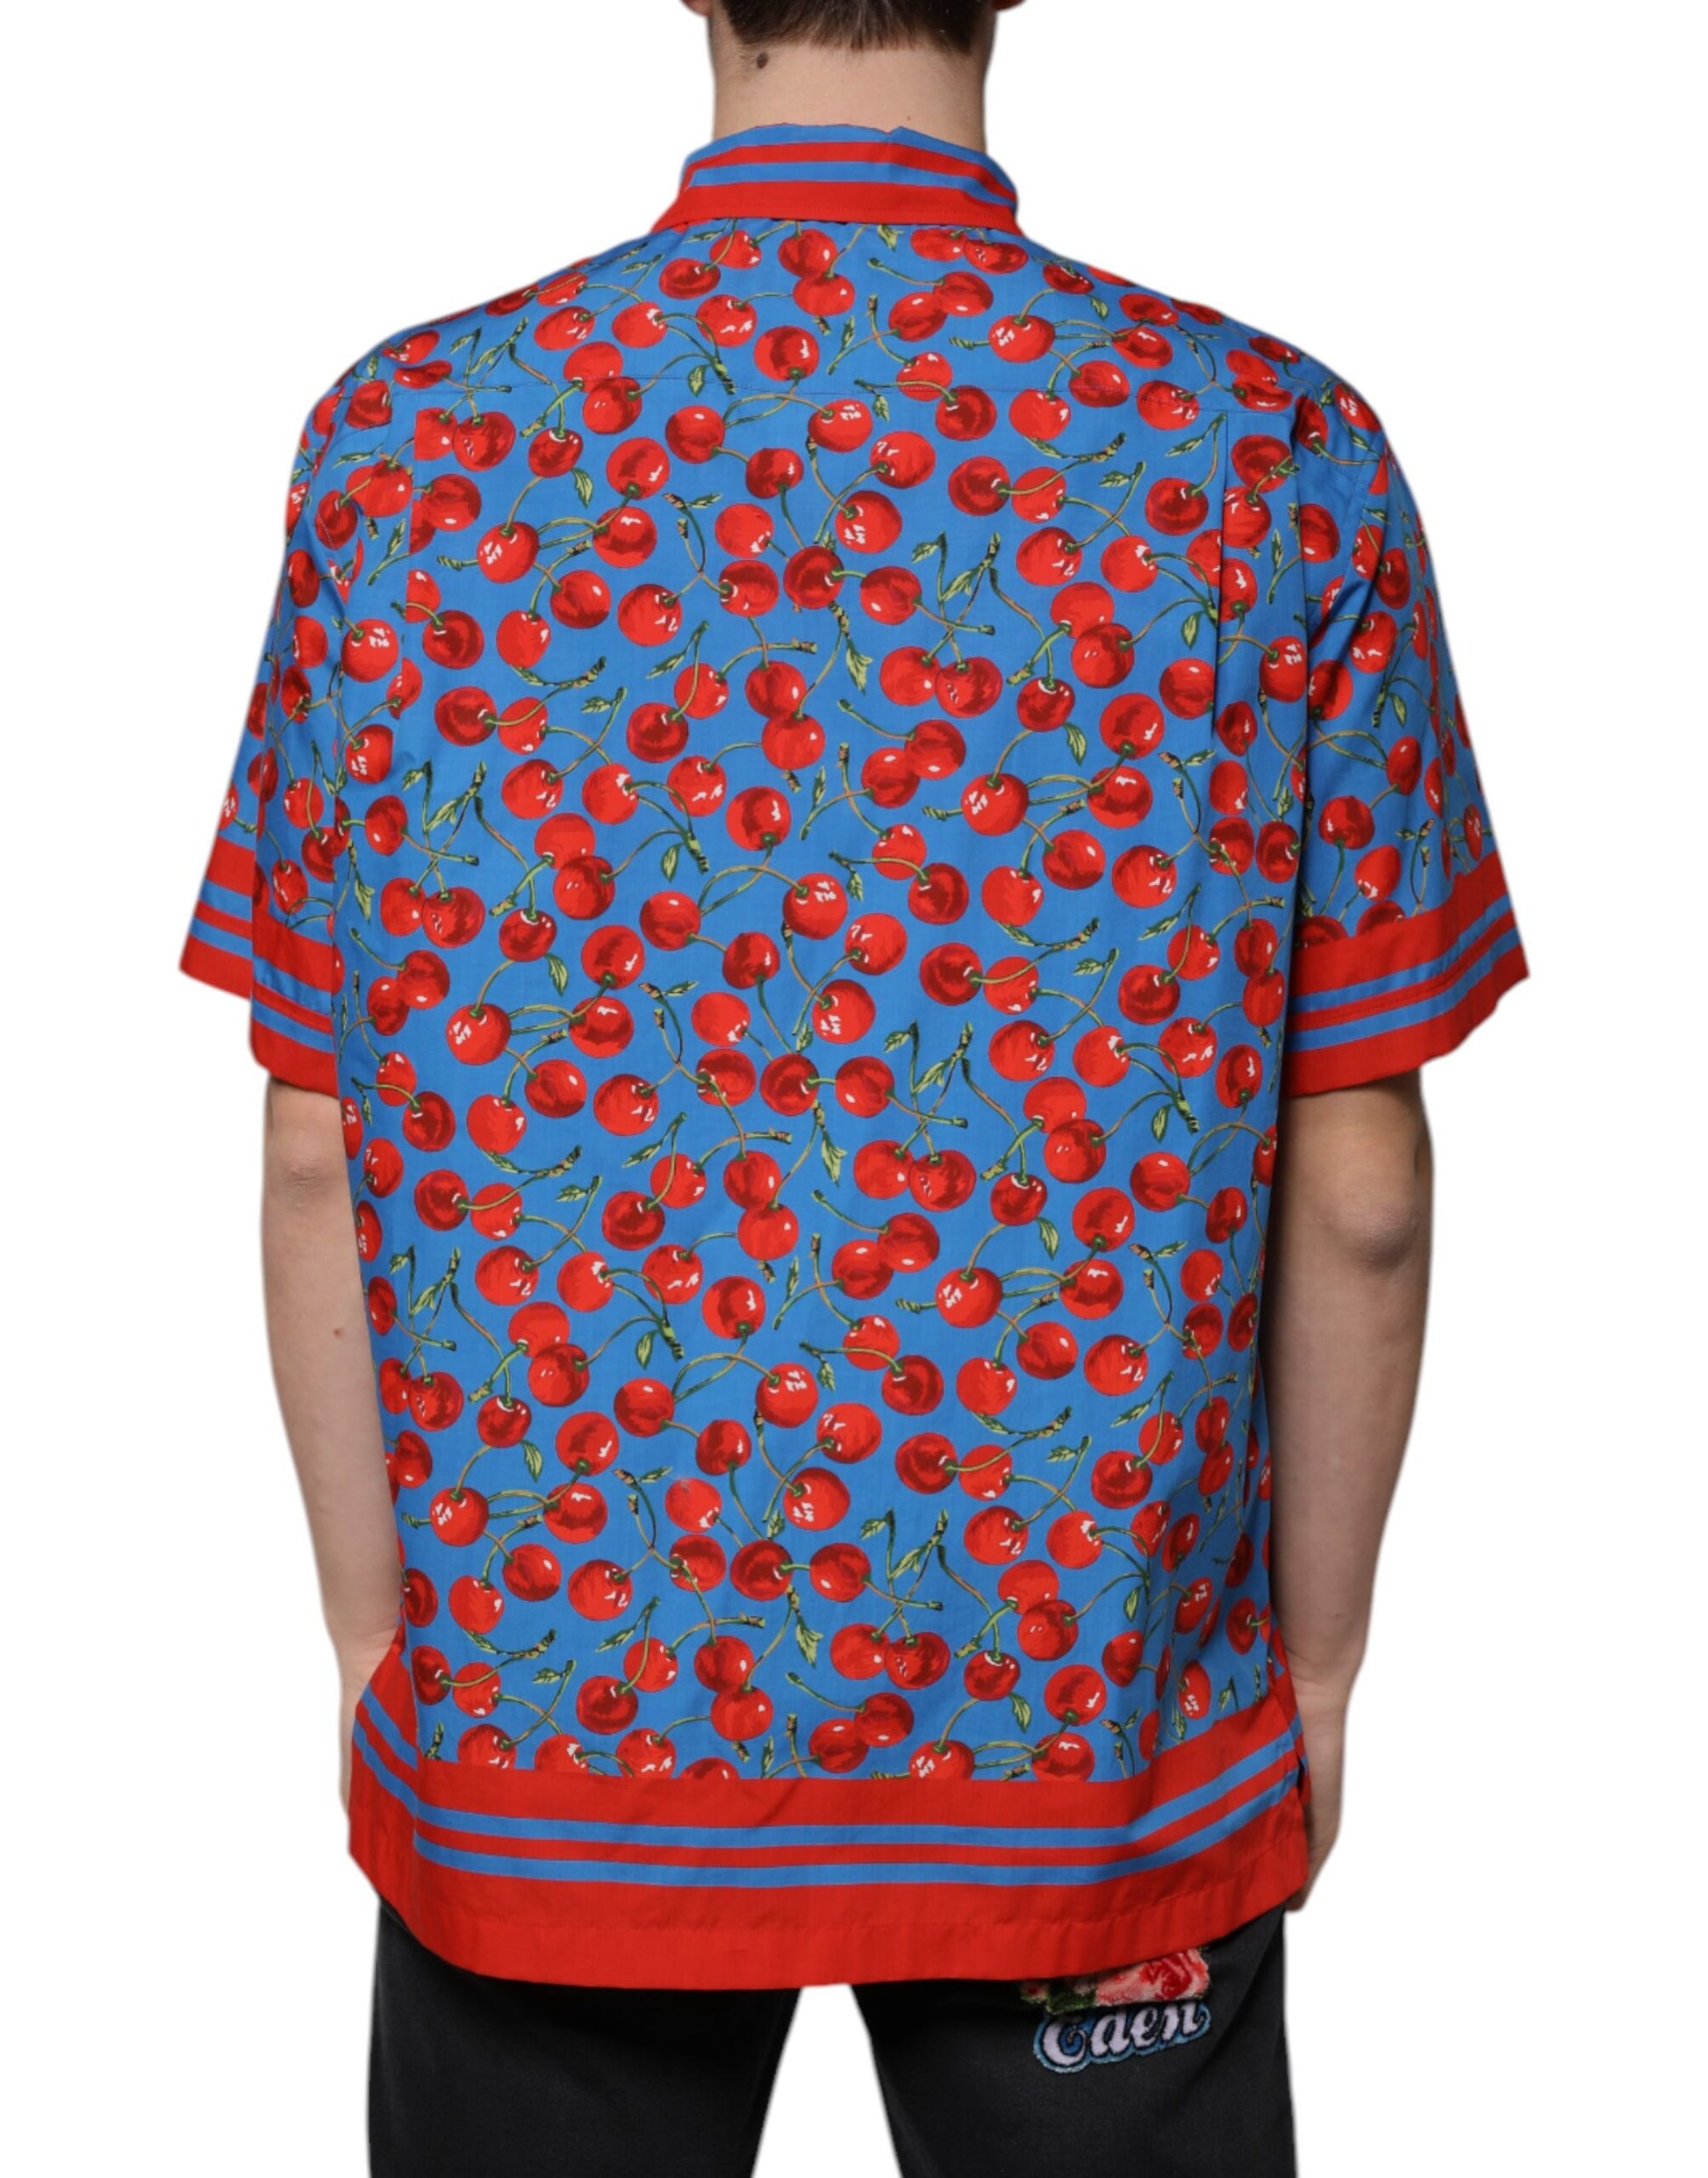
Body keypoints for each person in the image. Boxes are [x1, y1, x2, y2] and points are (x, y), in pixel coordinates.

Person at [177, 1, 1528, 2169]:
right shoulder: (1271, 447)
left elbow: (318, 1141)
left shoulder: (405, 444)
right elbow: (1359, 1181)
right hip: (1092, 1732)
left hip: (550, 1725)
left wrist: (373, 1640)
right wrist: (1313, 1676)